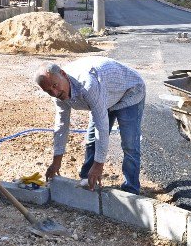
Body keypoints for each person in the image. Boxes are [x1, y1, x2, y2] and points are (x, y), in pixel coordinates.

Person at [34, 57, 146, 194]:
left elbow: (102, 126)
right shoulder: (57, 93)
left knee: (130, 144)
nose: (55, 93)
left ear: (63, 74)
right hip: (105, 94)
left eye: (55, 86)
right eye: (48, 91)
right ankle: (87, 182)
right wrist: (56, 161)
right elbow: (62, 124)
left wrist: (99, 165)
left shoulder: (87, 84)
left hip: (129, 91)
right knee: (92, 140)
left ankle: (131, 189)